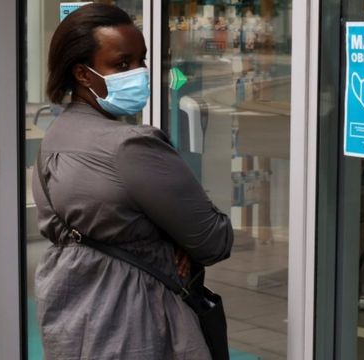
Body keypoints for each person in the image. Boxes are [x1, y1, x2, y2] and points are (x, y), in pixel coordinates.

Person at [33, 4, 233, 359]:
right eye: (122, 64)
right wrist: (173, 246)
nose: (139, 72)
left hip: (72, 318)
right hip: (135, 322)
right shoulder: (131, 146)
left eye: (141, 60)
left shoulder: (56, 136)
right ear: (82, 74)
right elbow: (214, 240)